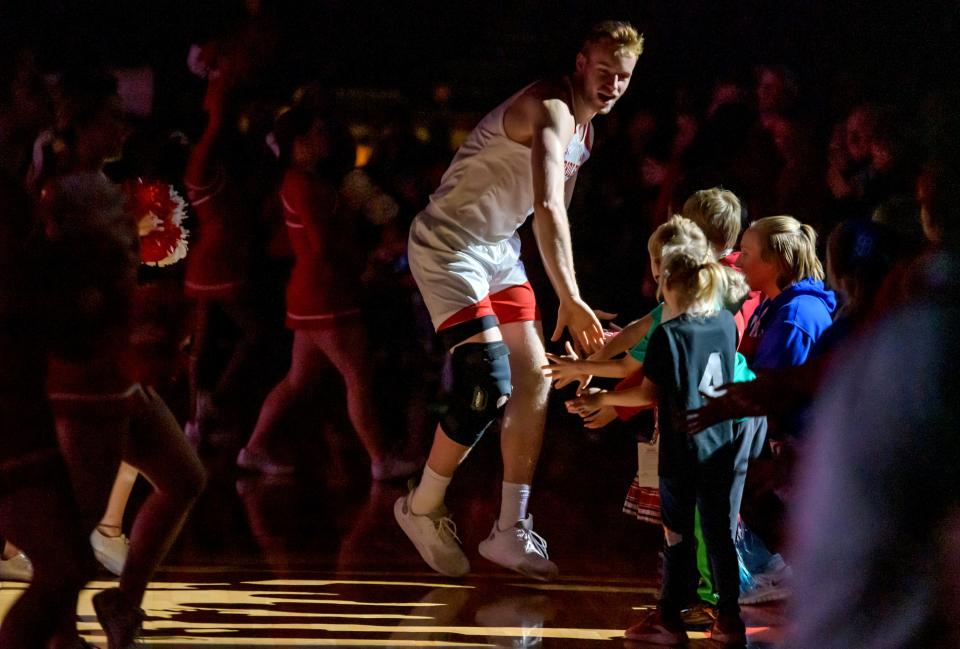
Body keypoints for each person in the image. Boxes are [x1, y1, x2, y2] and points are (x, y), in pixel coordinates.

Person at [394, 21, 643, 580]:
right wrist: (571, 297)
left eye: (623, 77)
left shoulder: (587, 132)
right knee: (487, 381)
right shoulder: (550, 108)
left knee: (536, 379)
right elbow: (550, 207)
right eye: (604, 71)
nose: (612, 84)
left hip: (498, 249)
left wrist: (562, 295)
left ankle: (510, 530)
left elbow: (547, 216)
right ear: (580, 62)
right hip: (449, 243)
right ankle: (421, 506)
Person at [567, 245, 748, 646]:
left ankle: (668, 618)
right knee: (718, 533)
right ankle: (730, 620)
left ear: (668, 283)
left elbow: (649, 394)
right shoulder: (724, 321)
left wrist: (602, 399)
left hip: (681, 449)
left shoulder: (669, 332)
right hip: (719, 443)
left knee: (677, 534)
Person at [237, 97, 417, 480]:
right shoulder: (301, 183)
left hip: (315, 291)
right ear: (298, 141)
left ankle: (253, 450)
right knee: (358, 375)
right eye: (318, 133)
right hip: (325, 292)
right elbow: (322, 244)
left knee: (298, 379)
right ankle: (380, 459)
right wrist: (368, 253)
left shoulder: (305, 180)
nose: (326, 139)